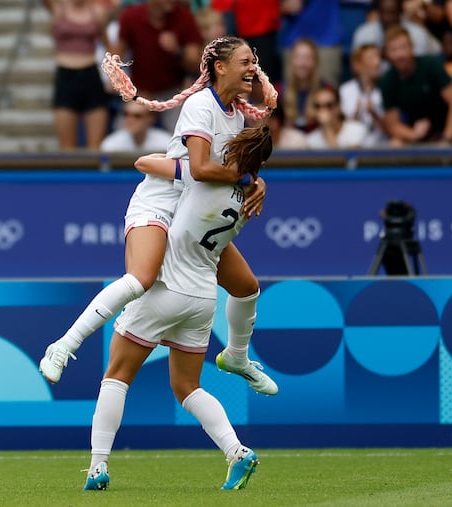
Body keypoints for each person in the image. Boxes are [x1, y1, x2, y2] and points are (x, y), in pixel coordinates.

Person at [39, 36, 279, 396]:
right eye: (245, 61)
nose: (253, 68)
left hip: (193, 214)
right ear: (220, 67)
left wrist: (256, 182)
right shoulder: (200, 104)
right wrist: (243, 179)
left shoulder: (237, 115)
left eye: (253, 61)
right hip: (160, 204)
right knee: (142, 278)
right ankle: (64, 345)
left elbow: (233, 167)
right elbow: (200, 168)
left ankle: (237, 357)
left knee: (246, 288)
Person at [83, 124, 273, 492]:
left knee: (117, 375)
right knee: (187, 386)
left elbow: (146, 163)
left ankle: (97, 467)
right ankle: (236, 451)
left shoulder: (199, 179)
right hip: (204, 298)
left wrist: (192, 160)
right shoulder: (246, 197)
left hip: (169, 288)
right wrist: (253, 178)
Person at [113, 0, 203, 132]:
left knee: (184, 133)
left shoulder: (185, 17)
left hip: (173, 92)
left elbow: (196, 64)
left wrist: (177, 50)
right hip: (140, 91)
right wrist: (123, 86)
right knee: (122, 133)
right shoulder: (131, 16)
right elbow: (116, 57)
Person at [43, 0, 111, 150]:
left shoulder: (97, 12)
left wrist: (113, 77)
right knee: (67, 147)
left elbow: (109, 48)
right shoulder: (58, 7)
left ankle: (96, 173)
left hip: (90, 74)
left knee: (96, 147)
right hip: (66, 76)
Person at [378, 25, 452, 144]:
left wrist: (447, 138)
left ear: (412, 48)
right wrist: (413, 134)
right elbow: (393, 125)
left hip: (448, 126)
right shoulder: (386, 80)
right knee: (395, 143)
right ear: (386, 53)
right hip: (417, 129)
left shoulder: (431, 65)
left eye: (403, 48)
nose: (399, 55)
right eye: (393, 50)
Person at [339, 43, 389, 146]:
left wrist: (373, 113)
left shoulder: (387, 88)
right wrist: (357, 113)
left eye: (378, 57)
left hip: (382, 147)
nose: (377, 62)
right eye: (371, 58)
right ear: (357, 64)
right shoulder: (346, 90)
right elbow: (341, 128)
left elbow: (391, 128)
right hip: (353, 147)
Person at [351, 0, 441, 57]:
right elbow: (359, 66)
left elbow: (419, 69)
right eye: (385, 13)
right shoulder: (364, 33)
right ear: (378, 13)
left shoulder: (418, 33)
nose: (389, 18)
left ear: (401, 12)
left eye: (392, 13)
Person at [281, 37, 325, 132]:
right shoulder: (278, 91)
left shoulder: (325, 90)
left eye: (307, 58)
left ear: (315, 62)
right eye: (298, 57)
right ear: (291, 61)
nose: (302, 63)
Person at [306, 84, 368, 148]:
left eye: (329, 105)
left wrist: (327, 127)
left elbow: (346, 157)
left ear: (339, 107)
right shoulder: (311, 140)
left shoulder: (356, 129)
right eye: (318, 106)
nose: (323, 110)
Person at [100, 99, 172, 152]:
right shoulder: (111, 144)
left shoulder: (166, 143)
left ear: (150, 119)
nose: (130, 120)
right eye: (126, 114)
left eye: (137, 116)